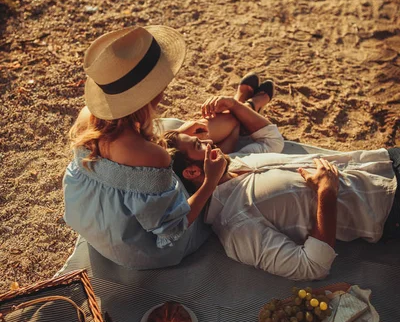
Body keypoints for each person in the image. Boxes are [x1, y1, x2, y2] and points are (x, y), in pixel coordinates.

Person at [166, 95, 399, 281]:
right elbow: (311, 266)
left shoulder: (235, 161)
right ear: (193, 172)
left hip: (382, 162)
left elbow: (271, 140)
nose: (209, 140)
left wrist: (234, 104)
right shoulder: (235, 226)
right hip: (387, 206)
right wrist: (326, 194)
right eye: (199, 144)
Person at [63, 25, 228, 271]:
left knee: (172, 127)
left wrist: (176, 135)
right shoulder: (153, 156)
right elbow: (173, 228)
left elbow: (122, 162)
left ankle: (242, 111)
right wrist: (210, 182)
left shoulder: (87, 118)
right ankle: (242, 115)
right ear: (153, 92)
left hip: (96, 226)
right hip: (139, 251)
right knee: (215, 201)